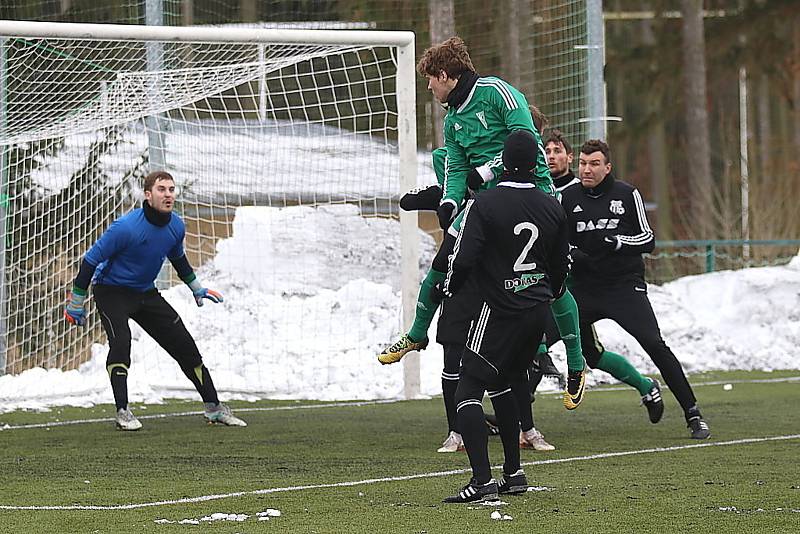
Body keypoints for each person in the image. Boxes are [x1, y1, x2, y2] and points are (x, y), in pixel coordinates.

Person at [378, 36, 587, 411]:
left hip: (532, 192)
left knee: (553, 281)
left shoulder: (496, 92)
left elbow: (525, 140)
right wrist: (448, 199)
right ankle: (415, 334)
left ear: (446, 75)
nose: (429, 86)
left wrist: (485, 171)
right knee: (444, 261)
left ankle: (575, 360)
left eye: (431, 79)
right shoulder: (454, 119)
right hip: (488, 202)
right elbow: (456, 168)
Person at [435, 130, 570, 503]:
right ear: (536, 163)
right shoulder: (551, 205)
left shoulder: (486, 202)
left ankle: (481, 481)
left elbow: (464, 257)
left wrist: (451, 286)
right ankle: (514, 473)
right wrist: (546, 292)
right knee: (508, 384)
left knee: (467, 391)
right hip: (536, 312)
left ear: (503, 162)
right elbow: (561, 266)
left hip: (498, 309)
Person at [63, 170, 247, 431]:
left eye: (171, 189)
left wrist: (197, 287)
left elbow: (178, 259)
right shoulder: (125, 228)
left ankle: (214, 408)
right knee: (121, 342)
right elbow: (90, 260)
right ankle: (123, 411)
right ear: (148, 195)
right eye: (162, 189)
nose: (168, 194)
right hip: (111, 291)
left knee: (185, 345)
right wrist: (76, 302)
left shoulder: (176, 226)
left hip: (146, 293)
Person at [560, 139, 710, 439]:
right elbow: (559, 242)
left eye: (594, 164)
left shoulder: (627, 194)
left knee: (655, 344)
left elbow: (647, 239)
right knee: (535, 340)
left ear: (608, 166)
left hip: (623, 287)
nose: (586, 169)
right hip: (584, 289)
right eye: (583, 163)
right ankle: (518, 423)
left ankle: (693, 414)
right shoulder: (568, 197)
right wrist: (572, 253)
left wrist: (615, 242)